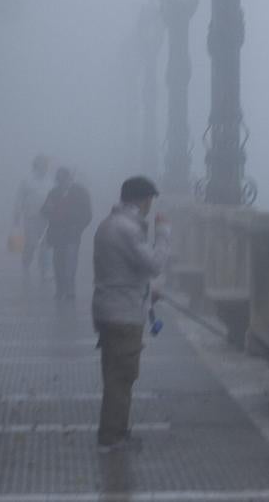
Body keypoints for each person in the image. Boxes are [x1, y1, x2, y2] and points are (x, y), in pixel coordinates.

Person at [92, 176, 170, 452]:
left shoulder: (108, 225)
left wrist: (148, 293)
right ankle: (112, 436)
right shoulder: (127, 229)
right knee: (122, 377)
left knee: (116, 374)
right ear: (142, 200)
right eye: (150, 200)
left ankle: (116, 431)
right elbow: (154, 264)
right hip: (122, 314)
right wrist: (162, 234)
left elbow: (122, 270)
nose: (151, 206)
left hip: (108, 308)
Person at [41, 167, 92, 300]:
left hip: (72, 234)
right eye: (60, 179)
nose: (63, 182)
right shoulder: (53, 193)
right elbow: (44, 210)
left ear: (70, 178)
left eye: (65, 179)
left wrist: (78, 227)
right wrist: (48, 210)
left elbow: (87, 214)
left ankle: (70, 290)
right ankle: (60, 289)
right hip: (57, 234)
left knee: (70, 263)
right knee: (58, 263)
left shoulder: (80, 192)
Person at [13, 155, 53, 279]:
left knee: (45, 245)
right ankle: (26, 264)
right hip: (30, 217)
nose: (44, 167)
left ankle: (44, 270)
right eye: (42, 164)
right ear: (36, 165)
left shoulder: (50, 181)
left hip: (47, 218)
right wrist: (17, 213)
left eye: (46, 165)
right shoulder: (27, 180)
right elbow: (19, 198)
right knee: (31, 243)